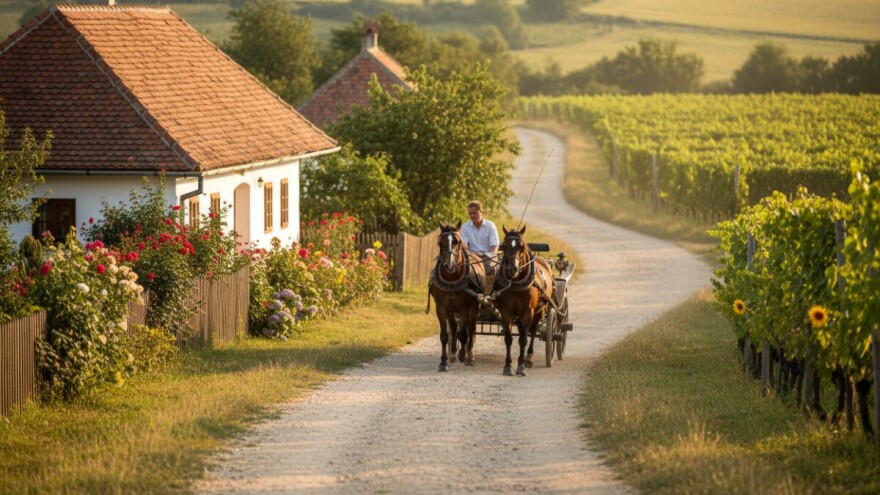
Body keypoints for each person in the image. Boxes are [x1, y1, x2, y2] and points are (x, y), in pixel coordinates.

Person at [460, 201, 498, 292]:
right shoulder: (465, 227)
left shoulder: (490, 226)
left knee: (492, 269)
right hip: (473, 256)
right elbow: (464, 245)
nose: (472, 215)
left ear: (480, 211)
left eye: (474, 213)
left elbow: (494, 245)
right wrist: (471, 256)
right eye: (470, 213)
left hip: (488, 256)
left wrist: (490, 257)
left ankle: (489, 293)